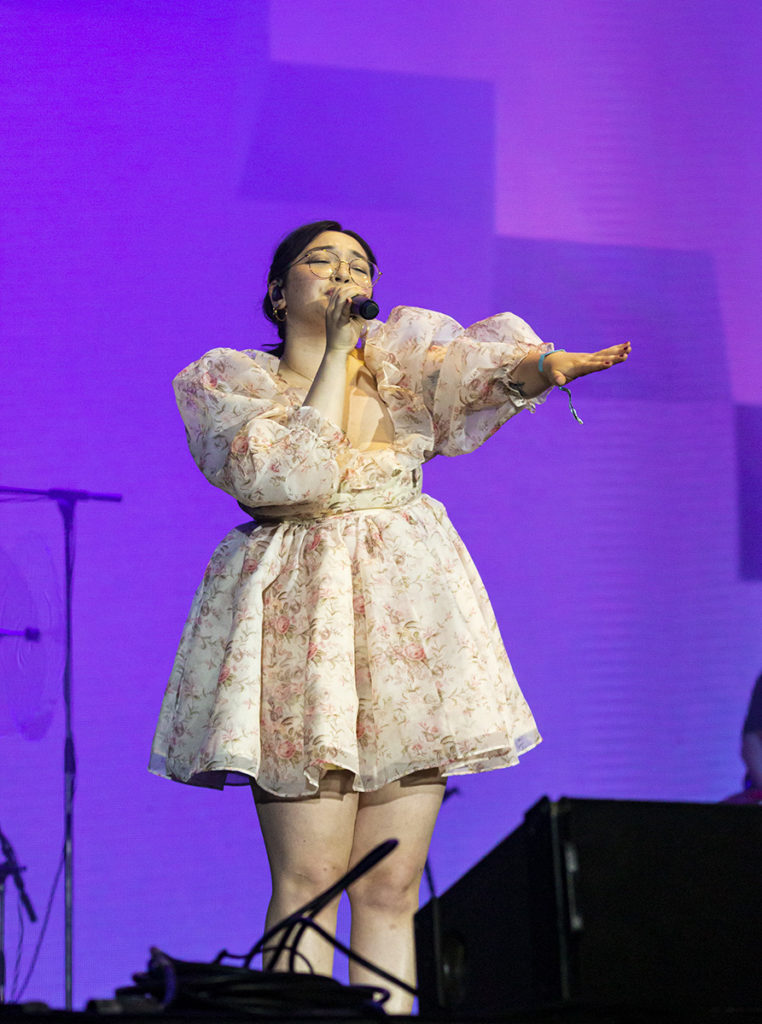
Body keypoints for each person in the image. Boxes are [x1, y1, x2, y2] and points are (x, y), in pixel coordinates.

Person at [150, 220, 630, 1012]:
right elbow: (289, 478)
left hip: (408, 619)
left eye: (359, 264)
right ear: (278, 292)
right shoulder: (230, 383)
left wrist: (547, 366)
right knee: (310, 880)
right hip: (302, 620)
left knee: (390, 884)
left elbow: (478, 374)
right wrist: (336, 354)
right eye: (321, 261)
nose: (344, 273)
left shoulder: (402, 368)